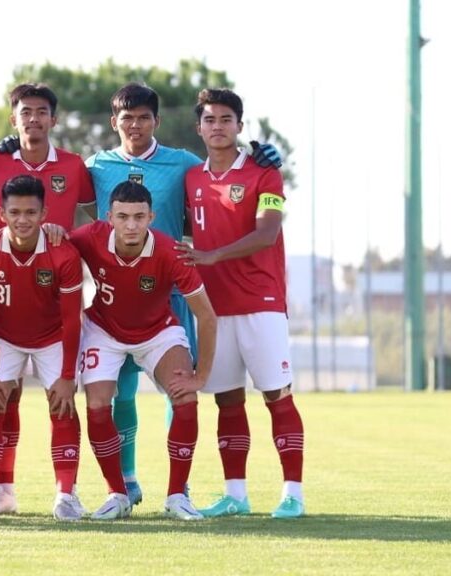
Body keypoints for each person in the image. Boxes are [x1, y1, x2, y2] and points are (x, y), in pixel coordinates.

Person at [83, 82, 282, 506]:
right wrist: (11, 152)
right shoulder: (95, 166)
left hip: (173, 293)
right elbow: (51, 191)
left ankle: (180, 486)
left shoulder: (184, 165)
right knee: (120, 391)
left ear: (156, 121)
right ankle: (128, 480)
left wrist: (262, 157)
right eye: (127, 118)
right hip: (115, 299)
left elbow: (223, 173)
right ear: (113, 122)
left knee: (179, 385)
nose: (134, 125)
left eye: (143, 118)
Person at [0, 83, 96, 514]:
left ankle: (66, 495)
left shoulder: (74, 166)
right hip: (5, 319)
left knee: (63, 403)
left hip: (52, 318)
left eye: (42, 111)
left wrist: (65, 239)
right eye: (25, 112)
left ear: (54, 119)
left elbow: (99, 222)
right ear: (13, 118)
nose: (33, 119)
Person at [177, 88, 305, 519]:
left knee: (277, 396)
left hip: (260, 302)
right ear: (199, 128)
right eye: (210, 119)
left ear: (239, 126)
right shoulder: (192, 177)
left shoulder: (264, 172)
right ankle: (236, 495)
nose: (217, 127)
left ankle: (294, 495)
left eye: (226, 119)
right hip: (213, 309)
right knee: (227, 401)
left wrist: (211, 255)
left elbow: (268, 233)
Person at [68, 179, 217, 521]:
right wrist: (53, 232)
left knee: (185, 397)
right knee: (97, 404)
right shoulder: (90, 236)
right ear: (110, 217)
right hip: (103, 330)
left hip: (157, 333)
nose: (131, 225)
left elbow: (206, 316)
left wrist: (202, 375)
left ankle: (178, 495)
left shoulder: (169, 251)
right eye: (123, 217)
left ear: (151, 216)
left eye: (138, 217)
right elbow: (53, 246)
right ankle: (117, 494)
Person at [0, 175, 86, 521]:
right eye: (15, 211)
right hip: (4, 337)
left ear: (44, 212)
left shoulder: (63, 254)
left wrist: (66, 376)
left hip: (51, 337)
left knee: (63, 406)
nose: (23, 220)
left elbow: (71, 320)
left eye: (31, 212)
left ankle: (66, 496)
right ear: (1, 213)